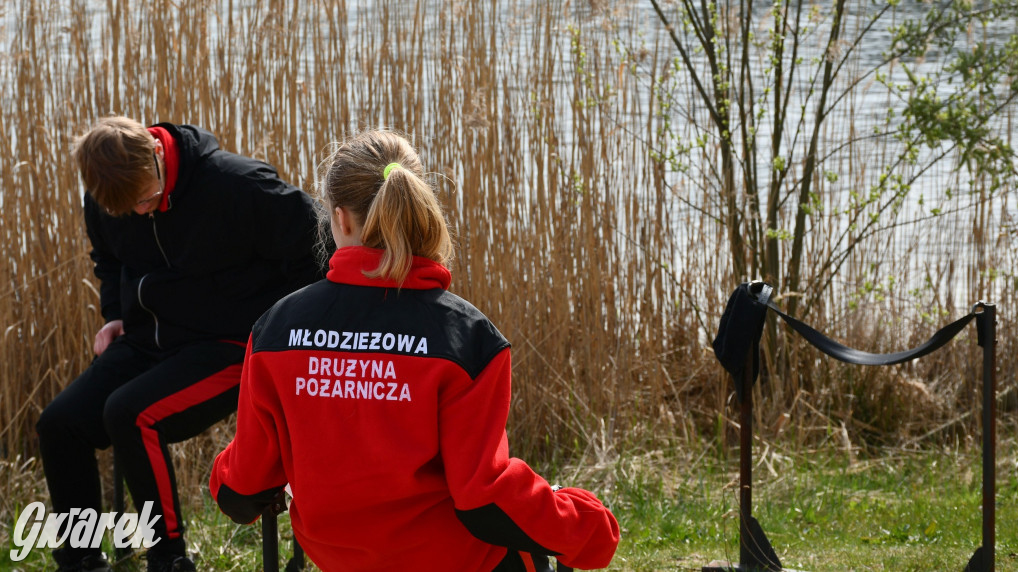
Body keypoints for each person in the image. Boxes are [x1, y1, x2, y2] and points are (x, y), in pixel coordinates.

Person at [208, 130, 620, 571]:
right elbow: (483, 497)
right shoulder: (465, 337)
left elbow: (242, 490)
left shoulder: (276, 330)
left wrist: (223, 476)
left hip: (338, 558)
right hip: (453, 559)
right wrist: (587, 525)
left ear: (341, 219)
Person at [35, 116, 323, 572]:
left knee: (131, 414)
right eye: (130, 209)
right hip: (148, 339)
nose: (143, 211)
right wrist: (114, 315)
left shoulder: (238, 185)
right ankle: (81, 560)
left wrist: (283, 334)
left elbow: (318, 245)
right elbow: (107, 260)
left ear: (155, 151)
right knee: (59, 424)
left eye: (148, 199)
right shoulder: (108, 197)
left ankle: (168, 559)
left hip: (232, 345)